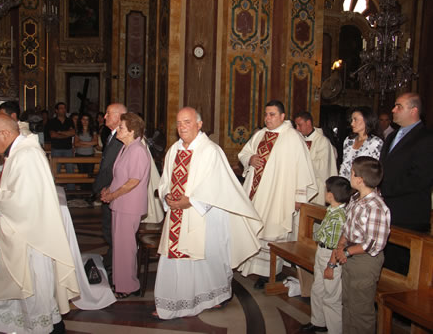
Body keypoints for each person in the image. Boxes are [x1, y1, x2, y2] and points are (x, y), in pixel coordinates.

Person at [154, 107, 262, 319]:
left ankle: (214, 297)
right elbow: (165, 180)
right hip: (177, 214)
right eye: (178, 123)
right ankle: (173, 303)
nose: (182, 127)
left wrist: (191, 202)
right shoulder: (173, 150)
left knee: (207, 259)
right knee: (175, 259)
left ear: (199, 124)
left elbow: (216, 185)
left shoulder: (211, 151)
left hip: (206, 216)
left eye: (187, 122)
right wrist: (166, 196)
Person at [0, 114, 79, 333]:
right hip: (24, 236)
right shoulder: (18, 152)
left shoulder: (26, 156)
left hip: (31, 242)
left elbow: (21, 203)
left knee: (33, 293)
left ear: (4, 133)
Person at [237, 100, 317, 289]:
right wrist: (250, 158)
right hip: (257, 193)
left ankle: (271, 273)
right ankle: (251, 265)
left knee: (273, 231)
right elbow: (244, 152)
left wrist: (299, 197)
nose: (268, 118)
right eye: (266, 114)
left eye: (272, 114)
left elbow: (302, 168)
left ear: (282, 116)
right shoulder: (260, 134)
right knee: (255, 228)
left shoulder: (292, 137)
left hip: (278, 194)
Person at [335, 156, 390, 334]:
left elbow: (373, 243)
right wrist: (341, 243)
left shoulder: (376, 207)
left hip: (365, 261)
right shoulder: (356, 198)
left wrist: (348, 251)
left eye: (351, 173)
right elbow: (349, 225)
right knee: (348, 303)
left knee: (361, 309)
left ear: (359, 180)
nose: (349, 176)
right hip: (350, 255)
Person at [379, 93, 433, 274]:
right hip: (387, 211)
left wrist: (384, 188)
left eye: (398, 106)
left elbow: (420, 178)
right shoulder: (391, 137)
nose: (393, 110)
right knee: (384, 266)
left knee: (400, 269)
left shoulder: (426, 139)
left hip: (409, 214)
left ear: (414, 110)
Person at [101, 113, 150, 298]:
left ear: (131, 131)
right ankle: (121, 283)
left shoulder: (137, 150)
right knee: (120, 246)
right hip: (120, 204)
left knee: (126, 247)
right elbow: (120, 176)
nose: (118, 130)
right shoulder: (126, 148)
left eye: (121, 127)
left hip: (129, 205)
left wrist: (113, 194)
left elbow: (133, 181)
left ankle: (128, 285)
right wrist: (108, 190)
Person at [300, 176, 352, 334]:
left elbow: (338, 246)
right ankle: (318, 323)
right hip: (321, 252)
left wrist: (331, 265)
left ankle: (335, 330)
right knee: (318, 289)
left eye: (325, 190)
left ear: (330, 195)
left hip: (331, 257)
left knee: (331, 297)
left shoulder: (339, 217)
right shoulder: (332, 210)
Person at [93, 103, 128, 270]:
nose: (104, 116)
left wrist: (101, 187)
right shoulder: (112, 135)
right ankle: (111, 258)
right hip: (108, 190)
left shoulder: (122, 139)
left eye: (108, 113)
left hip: (113, 191)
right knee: (109, 228)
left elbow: (110, 168)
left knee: (114, 231)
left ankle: (116, 265)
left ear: (119, 117)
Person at [294, 111, 338, 205]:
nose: (297, 128)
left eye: (299, 125)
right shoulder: (299, 139)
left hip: (317, 186)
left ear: (308, 123)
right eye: (296, 125)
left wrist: (302, 162)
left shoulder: (322, 141)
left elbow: (323, 166)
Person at [339, 106, 383, 180]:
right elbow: (344, 165)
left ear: (367, 120)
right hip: (346, 184)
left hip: (365, 184)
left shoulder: (375, 143)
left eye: (355, 120)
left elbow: (376, 170)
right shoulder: (348, 141)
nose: (352, 124)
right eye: (351, 120)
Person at [48, 102, 76, 190]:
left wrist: (59, 133)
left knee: (70, 170)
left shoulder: (69, 121)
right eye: (61, 108)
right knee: (56, 171)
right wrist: (66, 134)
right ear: (56, 110)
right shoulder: (52, 121)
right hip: (56, 148)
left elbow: (73, 133)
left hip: (68, 148)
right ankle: (55, 190)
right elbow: (53, 135)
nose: (63, 110)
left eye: (64, 108)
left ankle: (71, 190)